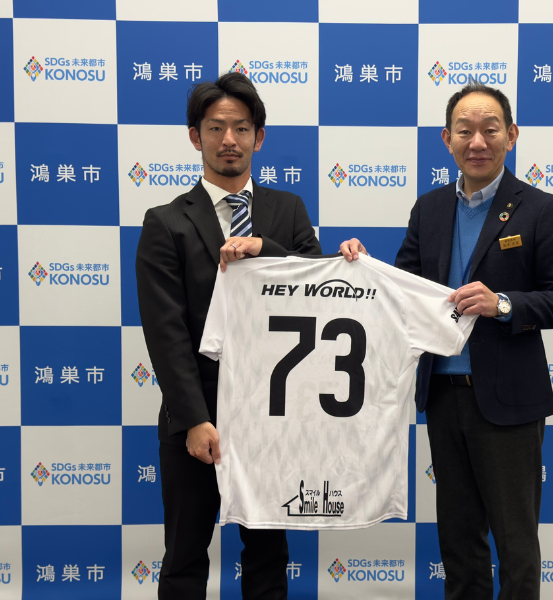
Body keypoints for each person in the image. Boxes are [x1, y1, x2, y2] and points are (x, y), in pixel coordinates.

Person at [341, 81, 553, 599]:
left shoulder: (540, 208)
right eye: (465, 131)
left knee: (516, 545)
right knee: (458, 542)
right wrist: (361, 268)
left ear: (511, 135)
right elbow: (402, 292)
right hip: (443, 397)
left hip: (509, 402)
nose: (477, 142)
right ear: (446, 139)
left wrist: (503, 304)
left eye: (490, 130)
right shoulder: (428, 208)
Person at [136, 72, 320, 600]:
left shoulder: (288, 210)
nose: (229, 140)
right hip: (196, 419)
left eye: (241, 128)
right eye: (216, 128)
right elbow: (166, 333)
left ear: (259, 137)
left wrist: (266, 248)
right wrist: (195, 419)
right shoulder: (165, 222)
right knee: (185, 557)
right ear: (195, 137)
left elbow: (316, 286)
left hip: (271, 417)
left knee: (268, 558)